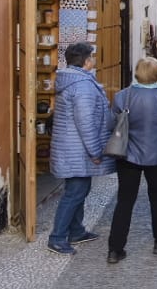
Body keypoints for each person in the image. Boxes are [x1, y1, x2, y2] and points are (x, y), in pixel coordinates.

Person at [106, 57, 157, 264]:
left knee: (124, 200)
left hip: (128, 155)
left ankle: (115, 249)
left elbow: (110, 125)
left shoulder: (122, 96)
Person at [47, 42, 114, 255]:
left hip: (71, 148)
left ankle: (76, 231)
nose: (93, 61)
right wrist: (95, 152)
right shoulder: (82, 86)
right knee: (75, 192)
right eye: (92, 57)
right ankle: (57, 238)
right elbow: (86, 122)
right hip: (77, 149)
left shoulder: (72, 81)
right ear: (87, 61)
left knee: (79, 189)